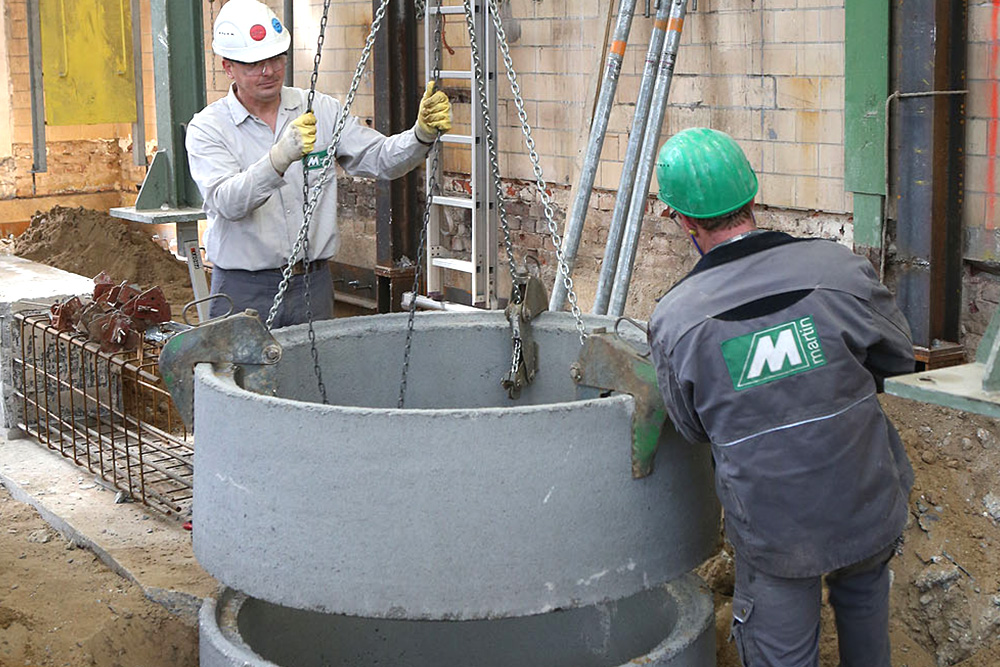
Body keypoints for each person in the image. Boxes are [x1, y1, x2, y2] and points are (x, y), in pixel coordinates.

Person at [647, 127, 915, 667]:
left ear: (685, 220)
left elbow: (694, 428)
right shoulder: (841, 271)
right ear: (752, 195)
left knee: (781, 648)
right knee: (865, 615)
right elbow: (896, 359)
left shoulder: (675, 320)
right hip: (866, 499)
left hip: (776, 529)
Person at [186, 0, 452, 327]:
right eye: (253, 64)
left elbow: (381, 158)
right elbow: (226, 203)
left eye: (274, 58)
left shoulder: (320, 110)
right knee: (240, 378)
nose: (268, 71)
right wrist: (277, 160)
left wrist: (420, 136)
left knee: (314, 379)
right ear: (228, 67)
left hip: (312, 286)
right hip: (243, 290)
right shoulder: (209, 128)